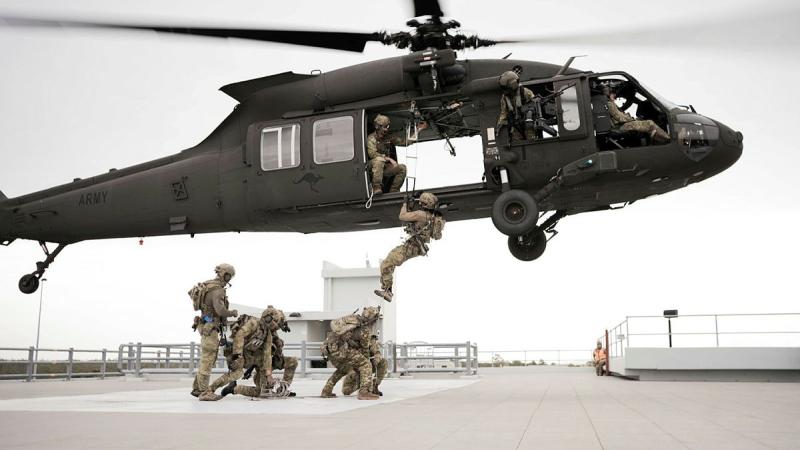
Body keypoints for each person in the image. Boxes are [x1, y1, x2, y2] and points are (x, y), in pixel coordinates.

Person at [374, 192, 445, 302]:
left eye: (421, 202)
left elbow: (402, 216)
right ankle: (387, 289)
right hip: (416, 247)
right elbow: (437, 236)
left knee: (386, 264)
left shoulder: (420, 214)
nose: (420, 203)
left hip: (411, 246)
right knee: (390, 263)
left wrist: (405, 204)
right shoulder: (434, 217)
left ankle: (387, 291)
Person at [220, 307, 298, 400]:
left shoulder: (274, 334)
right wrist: (254, 369)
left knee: (292, 361)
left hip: (272, 361)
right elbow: (259, 354)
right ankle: (235, 389)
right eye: (277, 323)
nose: (278, 326)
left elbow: (274, 351)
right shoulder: (260, 331)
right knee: (261, 392)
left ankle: (282, 389)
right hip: (263, 366)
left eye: (279, 324)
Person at [190, 264, 238, 400]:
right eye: (229, 276)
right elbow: (220, 310)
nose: (229, 279)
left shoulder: (207, 286)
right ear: (225, 274)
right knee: (208, 359)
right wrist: (231, 313)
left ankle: (197, 388)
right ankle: (205, 392)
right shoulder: (218, 290)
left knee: (207, 358)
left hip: (206, 326)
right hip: (210, 328)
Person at [320, 307, 382, 400]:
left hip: (329, 349)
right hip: (342, 350)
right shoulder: (364, 330)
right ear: (371, 319)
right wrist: (365, 364)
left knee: (343, 369)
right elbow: (365, 350)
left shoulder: (350, 318)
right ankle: (364, 392)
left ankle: (326, 391)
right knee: (366, 364)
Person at [367, 114, 427, 195]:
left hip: (383, 168)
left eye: (387, 127)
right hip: (372, 168)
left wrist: (418, 129)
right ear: (377, 127)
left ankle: (394, 191)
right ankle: (376, 187)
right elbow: (372, 154)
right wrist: (389, 159)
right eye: (384, 127)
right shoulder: (371, 138)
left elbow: (406, 142)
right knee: (379, 160)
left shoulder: (389, 138)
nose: (386, 129)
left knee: (402, 168)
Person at [604, 84, 670, 144]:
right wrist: (633, 120)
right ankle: (669, 140)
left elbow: (620, 116)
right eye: (613, 94)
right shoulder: (609, 104)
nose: (615, 96)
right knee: (649, 123)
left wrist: (633, 119)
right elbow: (620, 118)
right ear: (609, 95)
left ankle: (660, 141)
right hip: (619, 127)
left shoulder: (609, 103)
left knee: (647, 126)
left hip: (620, 126)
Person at [496, 70, 537, 141]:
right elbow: (504, 112)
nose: (505, 91)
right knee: (518, 144)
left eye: (506, 88)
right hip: (516, 125)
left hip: (528, 123)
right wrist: (499, 125)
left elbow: (535, 104)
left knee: (531, 142)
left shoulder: (525, 92)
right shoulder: (505, 98)